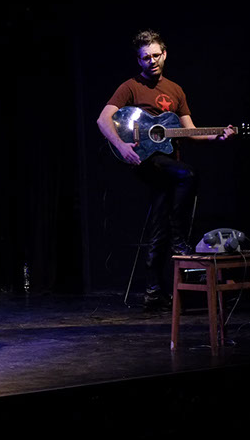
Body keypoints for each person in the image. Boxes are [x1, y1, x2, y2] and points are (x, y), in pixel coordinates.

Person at [97, 29, 235, 311]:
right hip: (145, 160)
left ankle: (153, 291)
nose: (152, 61)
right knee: (188, 174)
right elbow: (103, 119)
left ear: (165, 54)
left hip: (168, 162)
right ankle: (179, 239)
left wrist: (218, 135)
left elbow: (190, 131)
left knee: (159, 215)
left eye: (156, 55)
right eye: (146, 57)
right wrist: (122, 147)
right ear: (139, 60)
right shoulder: (130, 87)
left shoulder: (176, 90)